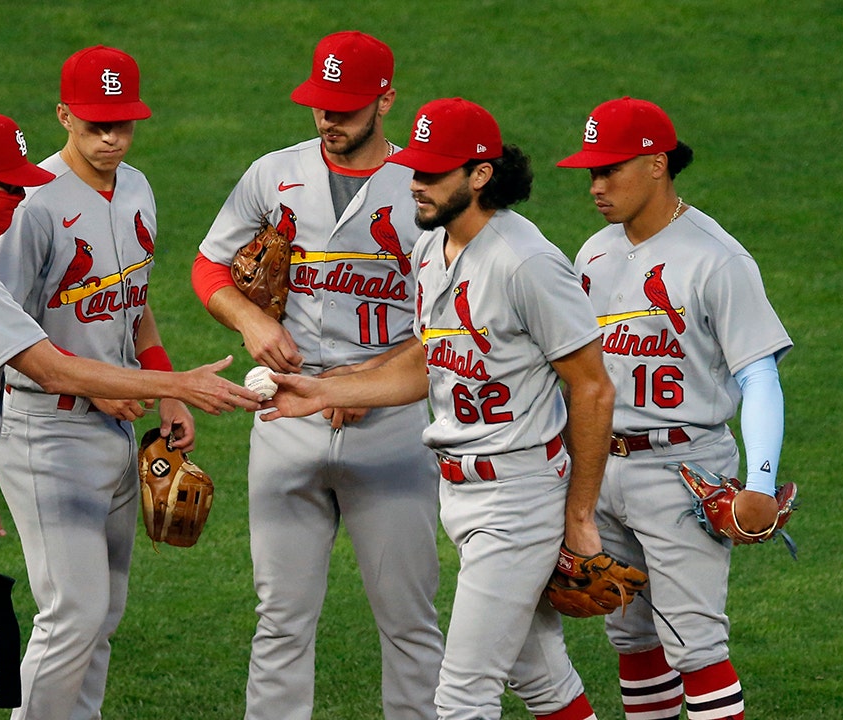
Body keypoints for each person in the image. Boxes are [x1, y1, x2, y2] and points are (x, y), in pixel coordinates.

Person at [0, 108, 260, 719]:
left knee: (85, 620)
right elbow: (46, 366)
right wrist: (177, 382)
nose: (20, 198)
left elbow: (128, 302)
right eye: (7, 186)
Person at [262, 98, 616, 720]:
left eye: (431, 173)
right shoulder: (433, 250)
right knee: (539, 676)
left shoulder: (526, 263)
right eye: (415, 169)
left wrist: (580, 515)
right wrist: (325, 391)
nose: (414, 183)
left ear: (480, 175)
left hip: (517, 495)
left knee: (461, 696)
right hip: (464, 492)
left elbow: (592, 387)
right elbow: (431, 360)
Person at [192, 30, 444, 720]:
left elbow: (450, 325)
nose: (329, 120)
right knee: (280, 620)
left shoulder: (422, 190)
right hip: (284, 422)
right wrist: (252, 322)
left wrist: (369, 383)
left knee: (409, 620)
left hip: (391, 426)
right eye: (320, 106)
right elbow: (209, 267)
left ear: (386, 100)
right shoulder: (275, 175)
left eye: (346, 107)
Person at [556, 96, 792, 720]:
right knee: (631, 639)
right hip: (600, 468)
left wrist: (762, 481)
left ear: (657, 164)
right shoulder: (594, 254)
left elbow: (760, 373)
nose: (596, 185)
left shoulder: (717, 258)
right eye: (591, 172)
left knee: (695, 645)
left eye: (611, 170)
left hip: (684, 471)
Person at [0, 45, 185, 719]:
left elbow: (134, 302)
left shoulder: (138, 188)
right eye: (96, 124)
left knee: (104, 613)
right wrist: (97, 386)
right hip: (45, 428)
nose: (110, 138)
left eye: (122, 124)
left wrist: (169, 388)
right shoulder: (30, 205)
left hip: (118, 428)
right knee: (74, 611)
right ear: (64, 115)